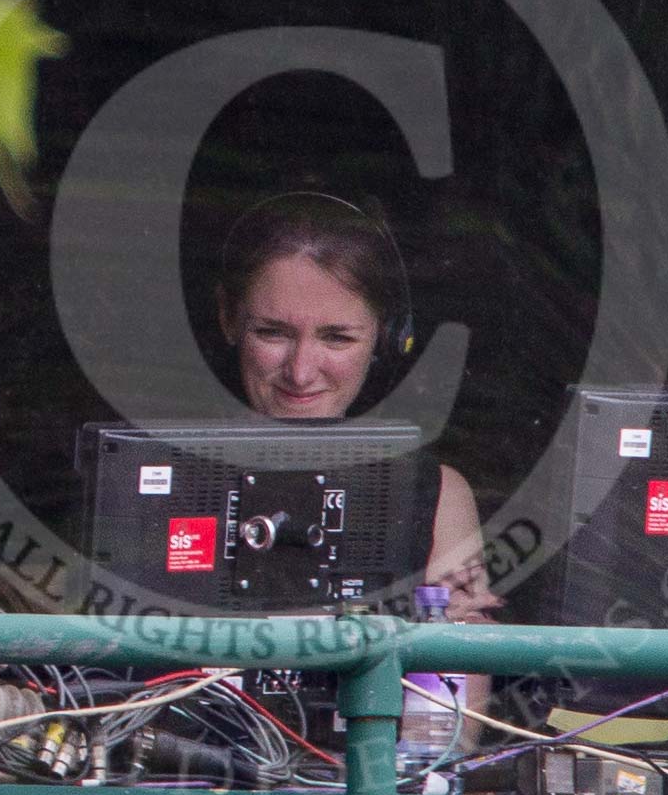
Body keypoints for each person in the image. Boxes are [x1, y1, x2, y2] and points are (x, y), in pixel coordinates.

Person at [214, 192, 501, 625]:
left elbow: (459, 695)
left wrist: (454, 637)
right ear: (228, 318)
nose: (301, 371)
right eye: (273, 333)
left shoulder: (438, 495)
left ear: (386, 338)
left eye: (337, 338)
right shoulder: (145, 476)